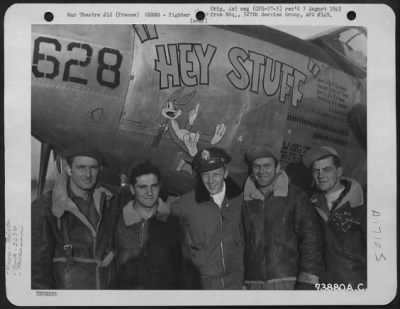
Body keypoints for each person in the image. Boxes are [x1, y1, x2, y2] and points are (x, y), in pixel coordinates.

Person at [31, 143, 117, 289]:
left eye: (93, 168)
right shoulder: (45, 206)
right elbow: (36, 272)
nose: (88, 174)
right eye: (81, 167)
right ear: (69, 169)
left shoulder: (108, 203)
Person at [242, 146, 322, 290]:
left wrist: (308, 280)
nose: (262, 171)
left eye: (267, 166)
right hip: (253, 283)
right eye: (257, 167)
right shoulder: (245, 201)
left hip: (288, 281)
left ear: (277, 167)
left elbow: (311, 240)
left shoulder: (296, 197)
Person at [171, 147, 244, 289]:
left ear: (226, 172)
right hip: (203, 284)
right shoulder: (184, 205)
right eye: (206, 175)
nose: (211, 181)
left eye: (216, 174)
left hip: (236, 282)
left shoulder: (240, 202)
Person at [114, 161, 190, 289]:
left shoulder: (174, 225)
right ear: (132, 189)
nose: (149, 193)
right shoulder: (116, 221)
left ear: (160, 186)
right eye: (142, 187)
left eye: (153, 186)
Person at [303, 146, 366, 288]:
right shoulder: (307, 206)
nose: (320, 175)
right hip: (319, 289)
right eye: (316, 171)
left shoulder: (363, 205)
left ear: (339, 172)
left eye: (327, 169)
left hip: (354, 289)